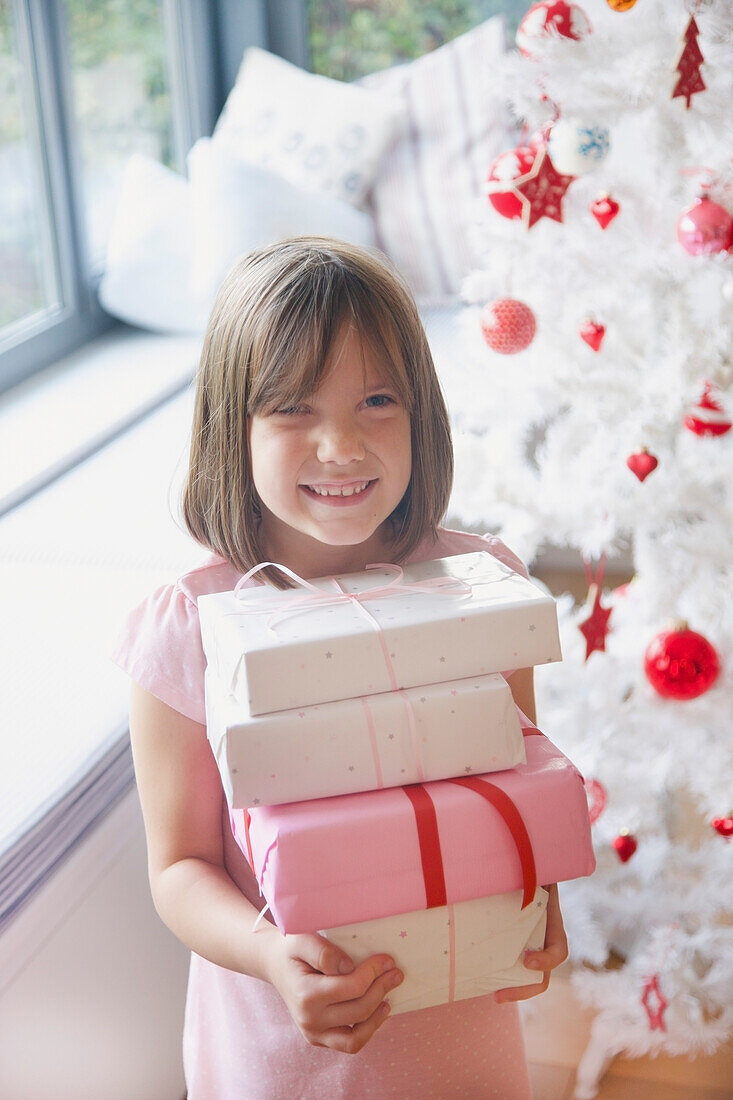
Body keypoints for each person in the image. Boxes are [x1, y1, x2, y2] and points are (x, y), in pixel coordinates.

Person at [113, 237, 568, 1099]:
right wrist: (269, 956)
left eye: (376, 400)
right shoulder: (188, 623)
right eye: (292, 408)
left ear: (419, 411)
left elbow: (515, 794)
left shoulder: (481, 594)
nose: (341, 446)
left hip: (460, 1035)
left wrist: (539, 905)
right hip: (285, 1047)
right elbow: (178, 868)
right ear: (231, 426)